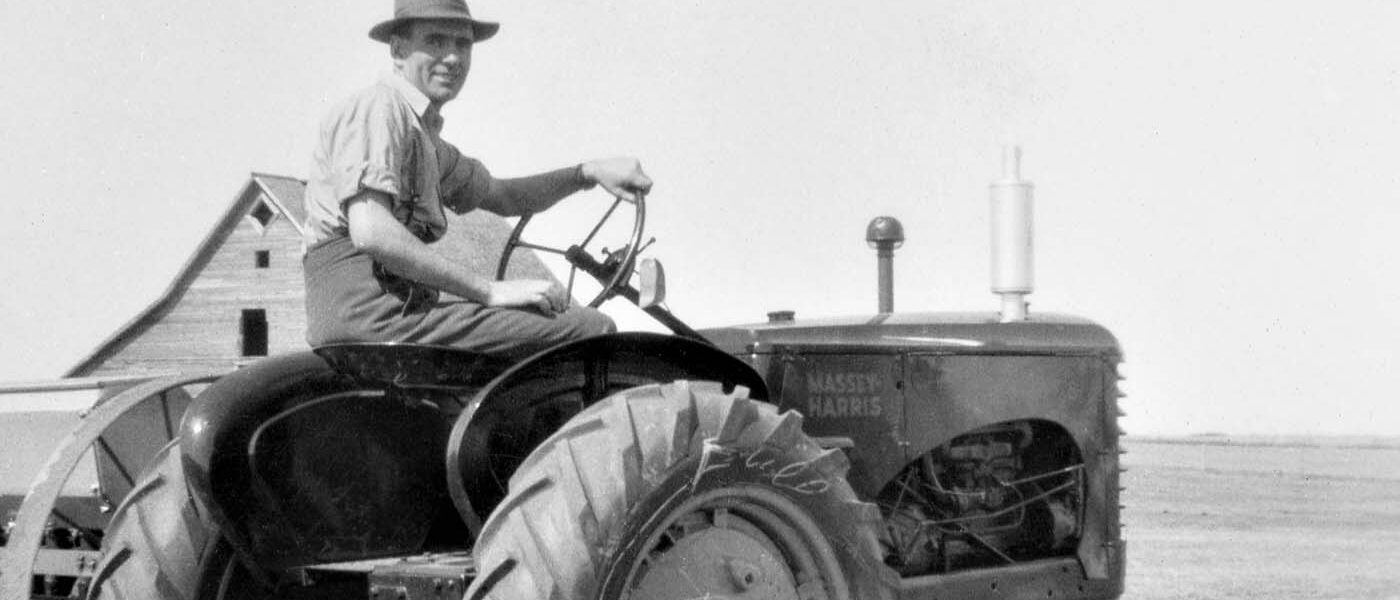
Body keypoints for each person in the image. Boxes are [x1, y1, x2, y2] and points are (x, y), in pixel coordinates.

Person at [301, 0, 652, 359]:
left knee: (549, 324)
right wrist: (488, 290)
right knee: (592, 330)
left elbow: (503, 196)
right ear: (398, 49)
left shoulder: (426, 141)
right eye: (436, 42)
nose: (453, 58)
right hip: (375, 317)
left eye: (462, 45)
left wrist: (586, 173)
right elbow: (371, 230)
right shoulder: (379, 108)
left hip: (390, 313)